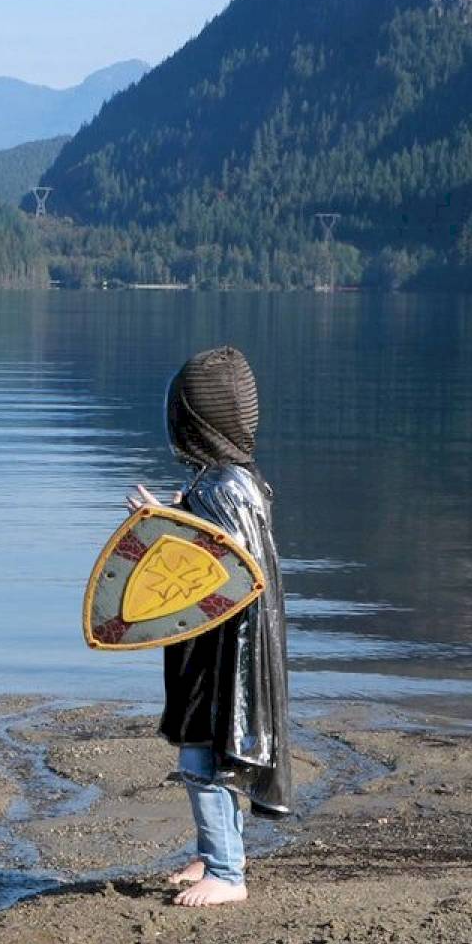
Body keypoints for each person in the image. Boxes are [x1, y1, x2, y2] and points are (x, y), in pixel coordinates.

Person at [126, 345, 291, 908]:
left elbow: (223, 570)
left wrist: (162, 524)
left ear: (196, 421)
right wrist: (177, 514)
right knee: (213, 746)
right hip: (218, 646)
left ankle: (227, 870)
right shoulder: (234, 482)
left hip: (227, 654)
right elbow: (213, 547)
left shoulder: (225, 489)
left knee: (206, 751)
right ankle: (211, 853)